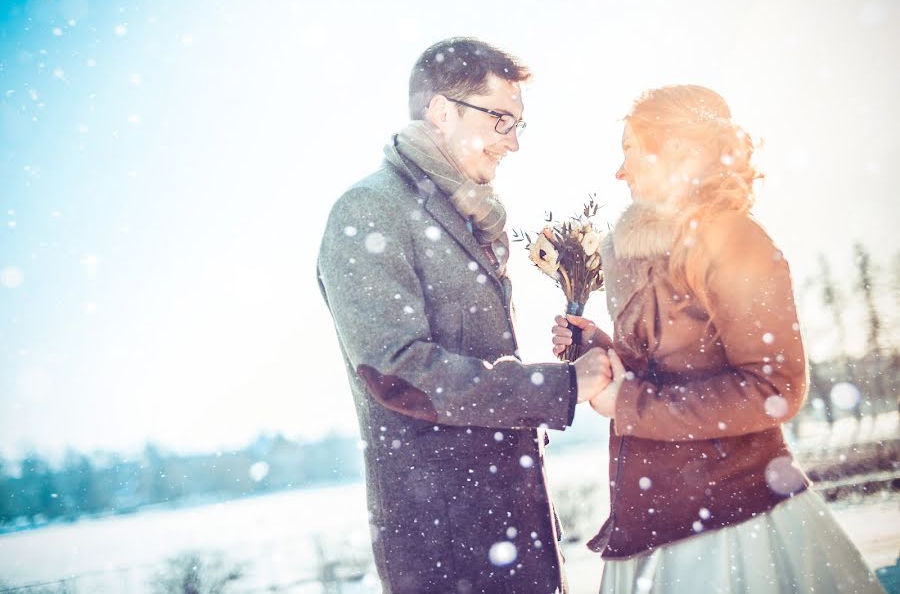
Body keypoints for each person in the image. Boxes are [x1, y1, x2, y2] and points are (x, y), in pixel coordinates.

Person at [552, 85, 885, 593]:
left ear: (681, 151)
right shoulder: (645, 255)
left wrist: (629, 402)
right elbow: (670, 367)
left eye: (632, 150)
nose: (621, 171)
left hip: (732, 522)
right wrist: (599, 348)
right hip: (652, 515)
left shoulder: (735, 239)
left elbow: (774, 389)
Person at [317, 37, 608, 594]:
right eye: (501, 119)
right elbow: (397, 372)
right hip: (448, 546)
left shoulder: (472, 215)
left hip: (517, 525)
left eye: (520, 124)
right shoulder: (369, 210)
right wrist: (559, 387)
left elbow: (473, 359)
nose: (514, 142)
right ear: (442, 111)